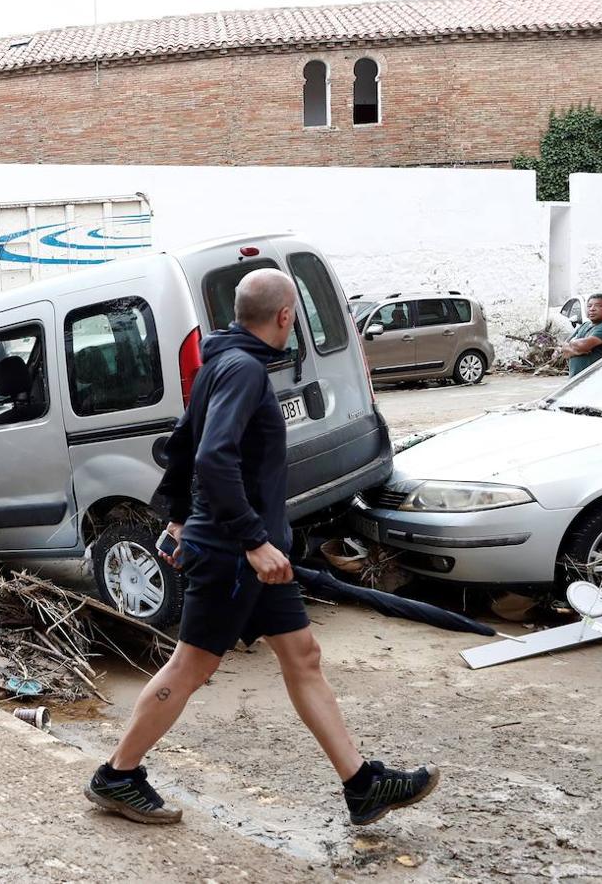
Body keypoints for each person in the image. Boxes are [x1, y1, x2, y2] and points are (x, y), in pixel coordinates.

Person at [84, 268, 439, 827]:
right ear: (285, 316)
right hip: (237, 553)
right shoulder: (243, 370)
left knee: (303, 656)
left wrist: (178, 519)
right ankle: (117, 774)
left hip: (247, 550)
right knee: (191, 667)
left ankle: (362, 785)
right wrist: (250, 540)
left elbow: (182, 443)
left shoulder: (219, 361)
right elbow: (211, 457)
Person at [557, 293, 602, 376]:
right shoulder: (585, 325)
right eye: (589, 306)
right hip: (577, 379)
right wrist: (577, 352)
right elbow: (563, 347)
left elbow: (583, 345)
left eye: (598, 306)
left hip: (595, 379)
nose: (592, 309)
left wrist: (573, 343)